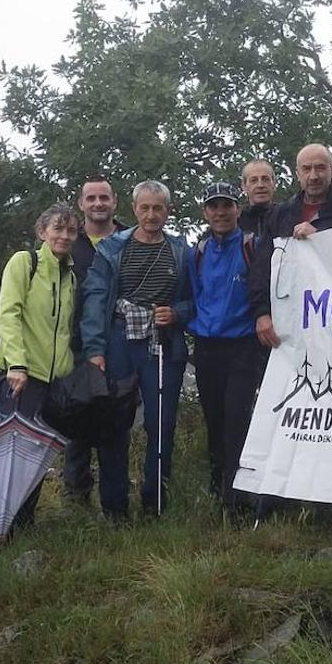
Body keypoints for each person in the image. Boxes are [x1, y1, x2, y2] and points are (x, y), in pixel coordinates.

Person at [80, 180, 195, 520]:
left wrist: (177, 313)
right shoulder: (112, 249)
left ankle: (154, 502)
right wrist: (94, 350)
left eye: (157, 208)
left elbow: (193, 300)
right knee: (115, 424)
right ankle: (114, 507)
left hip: (164, 343)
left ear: (168, 211)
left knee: (162, 424)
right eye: (144, 207)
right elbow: (95, 300)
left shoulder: (181, 251)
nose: (150, 214)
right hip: (119, 340)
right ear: (133, 209)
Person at [0, 204, 79, 543]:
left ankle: (21, 527)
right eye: (57, 229)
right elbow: (9, 314)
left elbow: (62, 331)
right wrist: (16, 364)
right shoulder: (25, 262)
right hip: (20, 375)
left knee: (35, 458)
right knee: (8, 457)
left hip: (53, 381)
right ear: (42, 233)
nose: (64, 236)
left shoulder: (71, 275)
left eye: (70, 231)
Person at [187, 181, 269, 507]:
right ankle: (217, 485)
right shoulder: (197, 254)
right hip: (207, 347)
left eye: (226, 205)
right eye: (213, 206)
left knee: (237, 419)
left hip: (243, 346)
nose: (220, 212)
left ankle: (236, 498)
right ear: (205, 211)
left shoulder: (254, 246)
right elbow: (190, 297)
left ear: (238, 208)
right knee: (214, 419)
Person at [250, 144, 332, 349]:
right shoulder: (279, 215)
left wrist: (320, 239)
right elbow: (260, 270)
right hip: (287, 324)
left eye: (320, 167)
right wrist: (261, 314)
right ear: (297, 173)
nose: (313, 175)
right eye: (306, 168)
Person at [62, 175, 129, 507]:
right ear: (81, 204)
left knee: (116, 419)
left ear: (115, 201)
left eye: (104, 198)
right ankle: (76, 495)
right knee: (77, 420)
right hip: (73, 347)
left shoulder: (131, 239)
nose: (98, 204)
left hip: (121, 343)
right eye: (92, 199)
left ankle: (115, 498)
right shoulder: (68, 243)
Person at [237, 158, 277, 261]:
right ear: (244, 186)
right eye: (254, 180)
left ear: (274, 184)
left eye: (265, 179)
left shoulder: (288, 216)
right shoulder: (235, 220)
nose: (260, 185)